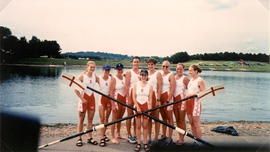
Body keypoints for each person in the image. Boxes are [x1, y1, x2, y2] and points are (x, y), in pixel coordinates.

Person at [74, 61, 99, 147]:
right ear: (87, 67)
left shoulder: (95, 76)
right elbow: (75, 89)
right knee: (81, 120)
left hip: (91, 98)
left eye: (93, 67)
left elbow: (102, 81)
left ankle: (89, 138)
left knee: (90, 120)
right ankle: (79, 138)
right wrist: (81, 99)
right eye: (91, 67)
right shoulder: (82, 76)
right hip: (83, 99)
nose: (92, 69)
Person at [133, 69, 153, 152]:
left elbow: (150, 98)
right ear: (140, 76)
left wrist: (149, 108)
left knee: (145, 126)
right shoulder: (135, 85)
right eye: (142, 75)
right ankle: (138, 143)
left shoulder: (150, 86)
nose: (143, 76)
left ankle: (145, 143)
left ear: (147, 76)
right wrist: (137, 107)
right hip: (137, 105)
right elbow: (134, 97)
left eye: (145, 75)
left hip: (145, 106)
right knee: (138, 126)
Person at [185, 64, 206, 144]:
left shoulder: (200, 80)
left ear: (196, 71)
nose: (189, 72)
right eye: (189, 70)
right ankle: (195, 140)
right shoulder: (191, 80)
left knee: (196, 123)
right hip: (188, 102)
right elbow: (189, 91)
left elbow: (203, 92)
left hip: (196, 103)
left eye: (191, 70)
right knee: (191, 123)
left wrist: (191, 94)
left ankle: (200, 142)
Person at [109, 63, 127, 144]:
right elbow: (111, 92)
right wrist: (112, 104)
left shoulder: (124, 77)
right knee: (114, 119)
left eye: (121, 69)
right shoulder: (114, 79)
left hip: (123, 99)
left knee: (120, 118)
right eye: (118, 69)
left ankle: (118, 133)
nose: (120, 70)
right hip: (116, 99)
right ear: (116, 70)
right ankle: (112, 136)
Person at [125, 56, 141, 144]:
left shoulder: (141, 72)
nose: (136, 63)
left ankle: (135, 134)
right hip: (131, 95)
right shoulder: (129, 72)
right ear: (132, 62)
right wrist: (128, 98)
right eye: (134, 62)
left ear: (139, 63)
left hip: (138, 96)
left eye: (137, 62)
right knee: (129, 115)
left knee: (136, 116)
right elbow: (127, 86)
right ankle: (128, 134)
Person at [146, 58, 162, 145]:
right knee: (148, 118)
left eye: (152, 64)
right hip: (148, 98)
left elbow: (160, 87)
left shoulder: (158, 74)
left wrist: (158, 99)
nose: (150, 66)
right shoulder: (145, 73)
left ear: (154, 65)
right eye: (149, 64)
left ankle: (156, 137)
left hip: (155, 97)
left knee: (156, 118)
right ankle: (149, 137)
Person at [159, 60, 176, 144]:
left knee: (170, 118)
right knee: (163, 118)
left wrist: (168, 100)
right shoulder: (160, 74)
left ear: (169, 67)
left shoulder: (171, 75)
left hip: (167, 97)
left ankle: (170, 137)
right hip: (161, 97)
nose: (165, 68)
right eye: (163, 66)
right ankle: (164, 135)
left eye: (167, 66)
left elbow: (173, 89)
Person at [173, 63, 189, 145]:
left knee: (182, 120)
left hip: (182, 101)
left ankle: (182, 139)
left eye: (180, 69)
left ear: (183, 69)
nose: (179, 70)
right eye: (177, 68)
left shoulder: (185, 78)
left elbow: (190, 90)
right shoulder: (173, 77)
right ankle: (179, 137)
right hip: (175, 101)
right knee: (177, 120)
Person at [98, 64, 113, 147]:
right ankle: (101, 138)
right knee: (102, 119)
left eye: (108, 70)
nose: (106, 71)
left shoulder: (111, 78)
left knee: (107, 118)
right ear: (102, 70)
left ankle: (103, 134)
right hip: (101, 99)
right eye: (105, 70)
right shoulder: (98, 78)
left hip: (108, 99)